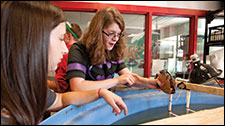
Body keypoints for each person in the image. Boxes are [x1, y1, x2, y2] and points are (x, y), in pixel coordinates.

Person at [1, 2, 127, 125]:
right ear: (35, 41)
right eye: (61, 39)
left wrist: (100, 92)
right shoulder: (6, 114)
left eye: (118, 35)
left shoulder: (27, 87)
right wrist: (115, 82)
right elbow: (76, 87)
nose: (65, 49)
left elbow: (61, 99)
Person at [66, 7, 165, 92]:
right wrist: (117, 80)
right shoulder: (78, 50)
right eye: (111, 33)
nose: (115, 39)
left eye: (118, 34)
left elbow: (128, 77)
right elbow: (77, 87)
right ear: (97, 32)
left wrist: (151, 82)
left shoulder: (113, 51)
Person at [48, 22, 83, 93]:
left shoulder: (65, 54)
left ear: (69, 36)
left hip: (66, 98)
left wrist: (41, 82)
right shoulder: (82, 51)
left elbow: (60, 86)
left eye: (61, 38)